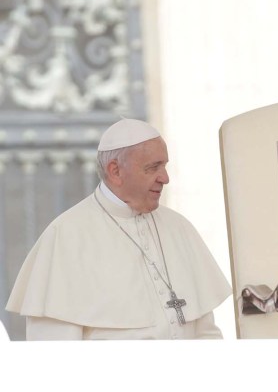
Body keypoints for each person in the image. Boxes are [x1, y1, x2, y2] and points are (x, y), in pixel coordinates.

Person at [5, 118, 231, 340]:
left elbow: (207, 333)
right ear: (115, 171)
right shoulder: (66, 236)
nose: (165, 178)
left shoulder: (179, 228)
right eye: (153, 168)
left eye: (164, 166)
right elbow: (55, 353)